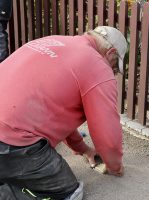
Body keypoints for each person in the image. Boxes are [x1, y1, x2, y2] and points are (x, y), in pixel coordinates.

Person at [0, 26, 127, 200]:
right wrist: (114, 166)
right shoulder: (97, 66)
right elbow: (107, 133)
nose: (112, 71)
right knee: (69, 193)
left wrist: (83, 149)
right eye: (114, 65)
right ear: (111, 52)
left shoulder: (54, 41)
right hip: (10, 141)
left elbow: (57, 113)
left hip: (8, 132)